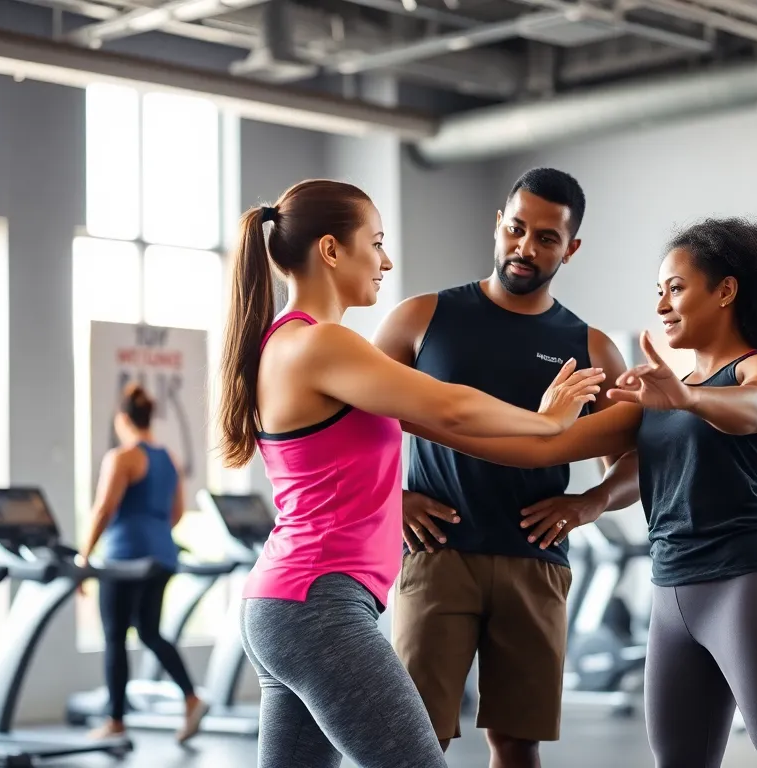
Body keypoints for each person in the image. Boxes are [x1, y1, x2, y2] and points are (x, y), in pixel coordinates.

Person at [408, 217, 757, 768]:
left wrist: (688, 399)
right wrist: (414, 419)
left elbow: (754, 410)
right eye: (658, 291)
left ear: (726, 290)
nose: (662, 305)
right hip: (671, 589)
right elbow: (538, 450)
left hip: (748, 581)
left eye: (676, 288)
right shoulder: (664, 395)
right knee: (678, 760)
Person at [214, 179, 602, 767]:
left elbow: (452, 427)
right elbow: (449, 405)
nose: (386, 261)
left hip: (290, 604)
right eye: (376, 243)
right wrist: (547, 421)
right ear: (330, 251)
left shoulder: (290, 342)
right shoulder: (323, 346)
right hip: (319, 606)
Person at [372, 167, 638, 766]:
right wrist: (395, 501)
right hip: (437, 554)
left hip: (535, 562)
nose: (525, 247)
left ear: (570, 248)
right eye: (516, 229)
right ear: (498, 224)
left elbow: (636, 458)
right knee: (417, 737)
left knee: (518, 744)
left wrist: (588, 503)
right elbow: (354, 424)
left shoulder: (592, 347)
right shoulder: (421, 319)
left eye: (546, 238)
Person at [77, 384, 209, 744]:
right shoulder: (169, 458)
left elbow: (104, 509)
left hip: (125, 558)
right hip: (162, 556)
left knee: (115, 636)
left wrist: (84, 555)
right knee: (149, 631)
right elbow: (176, 513)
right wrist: (154, 535)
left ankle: (116, 722)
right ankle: (192, 697)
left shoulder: (122, 457)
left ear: (122, 420)